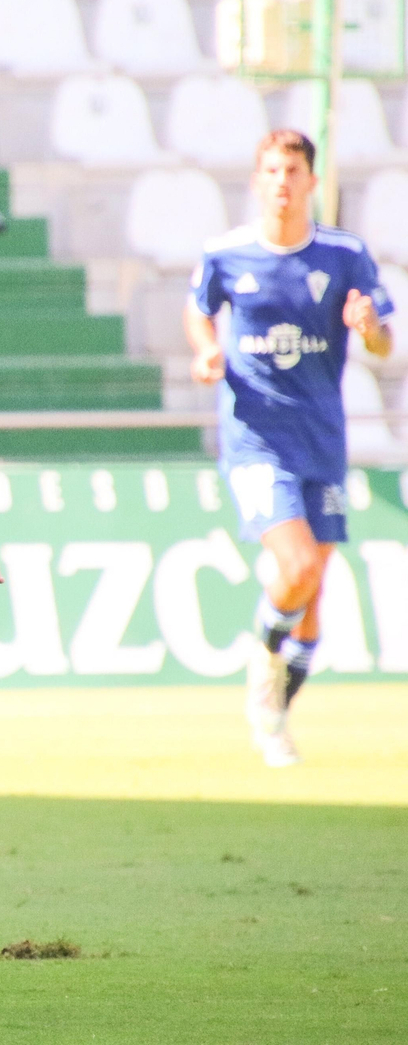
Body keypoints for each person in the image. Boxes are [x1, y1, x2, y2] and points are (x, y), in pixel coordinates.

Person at [185, 128, 394, 768]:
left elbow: (384, 344)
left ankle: (276, 714)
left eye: (293, 171)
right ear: (257, 180)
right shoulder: (226, 255)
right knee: (298, 565)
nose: (282, 181)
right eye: (272, 170)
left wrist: (369, 330)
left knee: (313, 594)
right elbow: (198, 309)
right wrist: (206, 350)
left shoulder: (343, 255)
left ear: (311, 182)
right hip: (256, 440)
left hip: (322, 440)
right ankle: (261, 667)